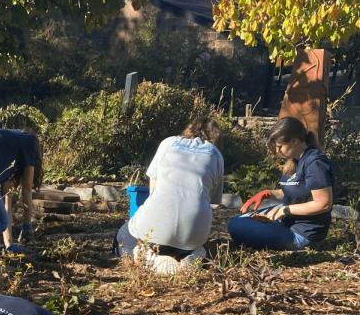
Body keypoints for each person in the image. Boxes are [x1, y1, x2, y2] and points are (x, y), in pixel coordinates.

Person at [114, 116, 225, 274]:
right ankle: (193, 255)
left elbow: (153, 192)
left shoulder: (168, 143)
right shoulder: (216, 155)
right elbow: (211, 201)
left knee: (122, 238)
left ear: (189, 130)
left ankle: (150, 260)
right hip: (193, 235)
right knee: (187, 240)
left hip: (154, 227)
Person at [227, 117, 334, 252]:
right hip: (287, 220)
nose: (277, 153)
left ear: (294, 140)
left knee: (236, 228)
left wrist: (284, 210)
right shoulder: (296, 160)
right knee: (235, 222)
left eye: (279, 147)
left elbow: (323, 203)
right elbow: (298, 190)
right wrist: (268, 194)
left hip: (302, 234)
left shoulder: (315, 163)